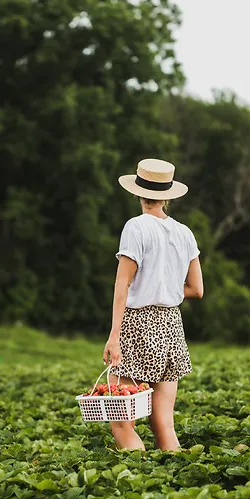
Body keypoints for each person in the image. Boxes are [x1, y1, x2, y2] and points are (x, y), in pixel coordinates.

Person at [103, 158, 203, 452]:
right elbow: (197, 289)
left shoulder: (136, 227)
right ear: (168, 196)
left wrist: (113, 336)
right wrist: (168, 290)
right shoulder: (185, 233)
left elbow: (122, 285)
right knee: (164, 422)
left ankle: (140, 483)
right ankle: (174, 487)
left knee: (122, 421)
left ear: (138, 193)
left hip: (137, 324)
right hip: (171, 326)